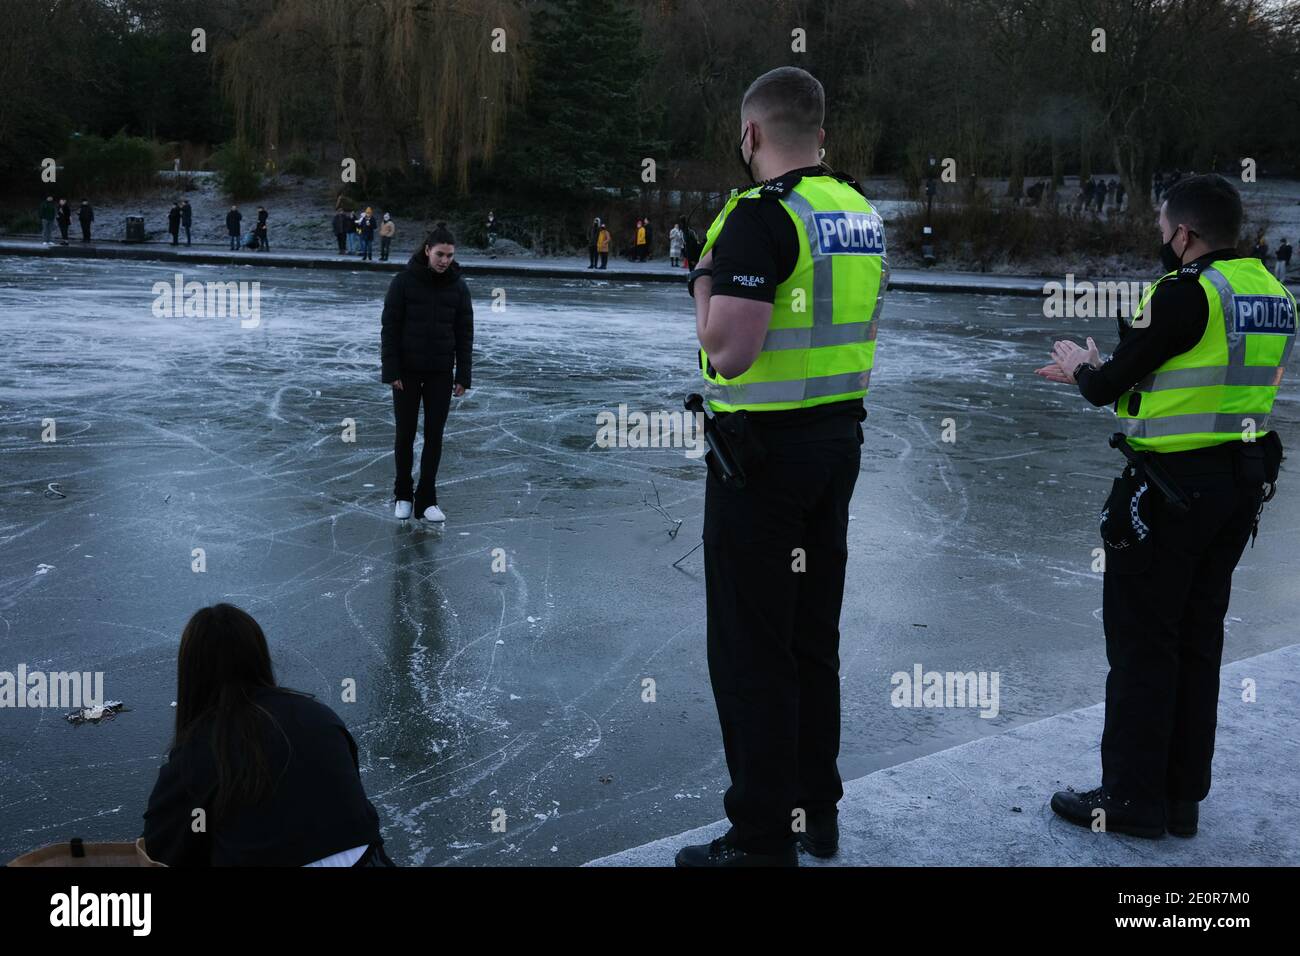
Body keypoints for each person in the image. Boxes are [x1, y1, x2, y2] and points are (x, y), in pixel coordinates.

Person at [1035, 174, 1296, 840]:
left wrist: (1081, 367)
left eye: (1162, 226)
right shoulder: (1270, 293)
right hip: (1239, 484)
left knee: (1143, 645)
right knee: (1196, 639)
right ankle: (1181, 796)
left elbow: (1110, 387)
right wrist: (1114, 372)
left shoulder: (1184, 294)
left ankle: (1130, 798)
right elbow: (1192, 383)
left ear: (1184, 233)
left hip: (1172, 492)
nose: (1160, 237)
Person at [676, 66, 885, 867]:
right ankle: (813, 814)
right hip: (835, 446)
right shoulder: (857, 212)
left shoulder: (761, 217)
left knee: (749, 648)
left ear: (752, 135)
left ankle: (763, 838)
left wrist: (702, 276)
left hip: (761, 460)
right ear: (821, 136)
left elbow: (728, 353)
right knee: (808, 639)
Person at [141, 603, 392, 866]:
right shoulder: (319, 715)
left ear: (192, 671)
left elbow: (160, 847)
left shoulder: (201, 747)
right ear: (259, 655)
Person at [380, 224, 474, 523]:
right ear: (427, 251)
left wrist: (463, 375)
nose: (444, 260)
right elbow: (390, 329)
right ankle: (403, 495)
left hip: (440, 373)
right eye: (440, 254)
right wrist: (391, 369)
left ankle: (427, 500)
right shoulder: (403, 282)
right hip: (405, 373)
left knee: (435, 436)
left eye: (449, 255)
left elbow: (465, 333)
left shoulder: (458, 287)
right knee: (404, 435)